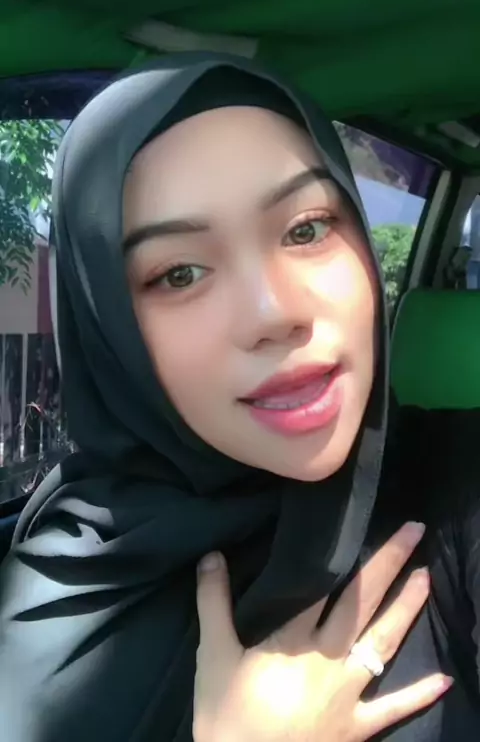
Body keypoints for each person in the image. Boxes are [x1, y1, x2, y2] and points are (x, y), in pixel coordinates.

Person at [0, 53, 479, 741]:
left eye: (306, 228)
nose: (272, 312)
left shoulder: (459, 484)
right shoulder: (53, 588)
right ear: (108, 331)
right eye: (180, 273)